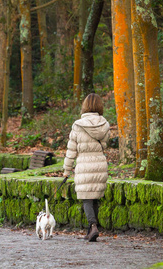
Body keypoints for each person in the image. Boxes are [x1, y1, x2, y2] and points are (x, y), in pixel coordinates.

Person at [63, 93, 110, 242]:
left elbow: (71, 151)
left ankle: (93, 225)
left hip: (84, 165)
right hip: (99, 163)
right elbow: (105, 144)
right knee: (94, 197)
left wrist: (66, 170)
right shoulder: (104, 124)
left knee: (86, 199)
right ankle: (91, 232)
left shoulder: (78, 125)